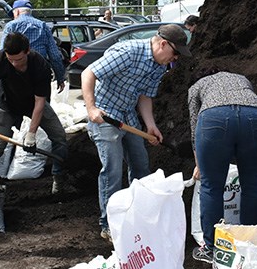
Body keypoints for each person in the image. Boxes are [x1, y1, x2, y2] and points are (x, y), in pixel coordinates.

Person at [82, 23, 191, 240]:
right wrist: (91, 108)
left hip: (128, 115)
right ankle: (109, 225)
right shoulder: (129, 53)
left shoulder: (159, 66)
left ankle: (138, 215)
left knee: (141, 165)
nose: (176, 59)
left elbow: (144, 96)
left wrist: (150, 125)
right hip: (105, 115)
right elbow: (88, 73)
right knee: (112, 168)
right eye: (175, 53)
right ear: (163, 44)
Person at [0, 32, 69, 194]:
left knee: (59, 137)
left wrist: (31, 134)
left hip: (33, 103)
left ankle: (58, 179)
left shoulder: (40, 65)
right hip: (6, 103)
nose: (15, 63)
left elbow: (39, 102)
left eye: (19, 59)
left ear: (27, 51)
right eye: (11, 59)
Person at [188, 70, 257, 263]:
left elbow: (194, 126)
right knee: (252, 184)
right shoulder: (243, 79)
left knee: (212, 185)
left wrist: (199, 164)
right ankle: (251, 245)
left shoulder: (196, 87)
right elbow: (242, 108)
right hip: (256, 116)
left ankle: (212, 248)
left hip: (214, 118)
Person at [0, 0, 66, 92]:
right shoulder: (43, 26)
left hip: (15, 75)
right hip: (39, 74)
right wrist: (60, 78)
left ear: (17, 11)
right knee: (42, 104)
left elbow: (2, 52)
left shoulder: (11, 26)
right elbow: (55, 55)